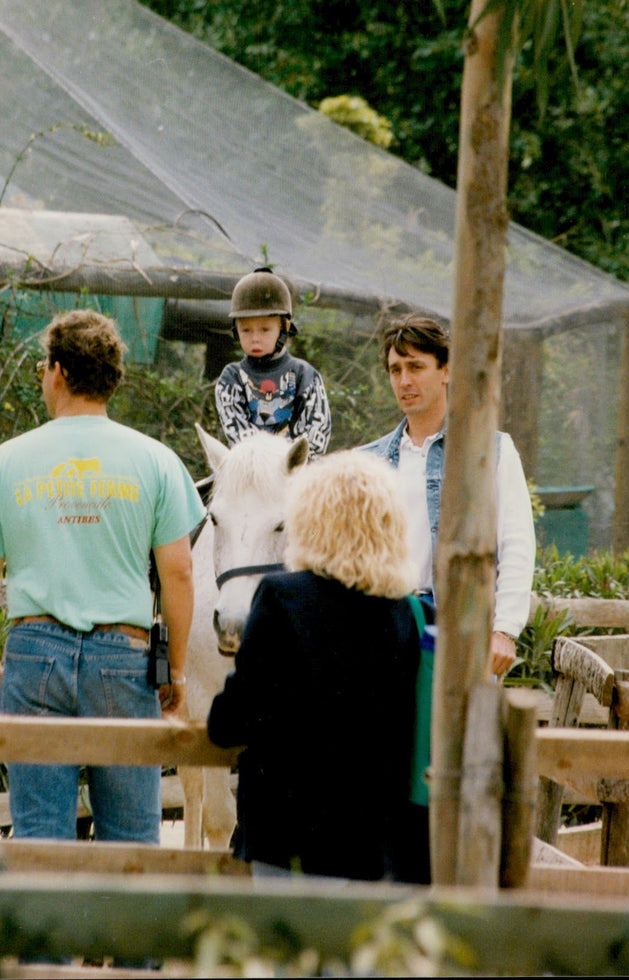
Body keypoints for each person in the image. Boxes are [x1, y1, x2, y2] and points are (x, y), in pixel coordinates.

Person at [0, 309, 204, 842]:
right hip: (125, 659)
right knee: (133, 835)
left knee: (40, 835)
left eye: (45, 366)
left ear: (59, 371)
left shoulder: (7, 460)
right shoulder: (155, 461)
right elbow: (178, 573)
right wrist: (174, 673)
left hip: (34, 655)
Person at [207, 449, 429, 883]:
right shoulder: (411, 614)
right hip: (374, 848)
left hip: (285, 839)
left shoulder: (280, 598)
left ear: (308, 520)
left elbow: (229, 723)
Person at [363, 314, 535, 677]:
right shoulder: (368, 461)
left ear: (447, 370)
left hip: (461, 628)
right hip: (383, 628)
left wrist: (503, 630)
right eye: (395, 370)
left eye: (416, 367)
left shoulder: (491, 450)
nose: (405, 381)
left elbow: (516, 543)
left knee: (458, 733)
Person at [215, 267, 331, 458]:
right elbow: (238, 434)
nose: (255, 339)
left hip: (296, 471)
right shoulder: (231, 378)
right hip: (250, 466)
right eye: (246, 330)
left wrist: (286, 464)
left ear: (284, 327)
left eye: (264, 329)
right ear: (235, 330)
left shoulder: (306, 375)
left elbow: (315, 436)